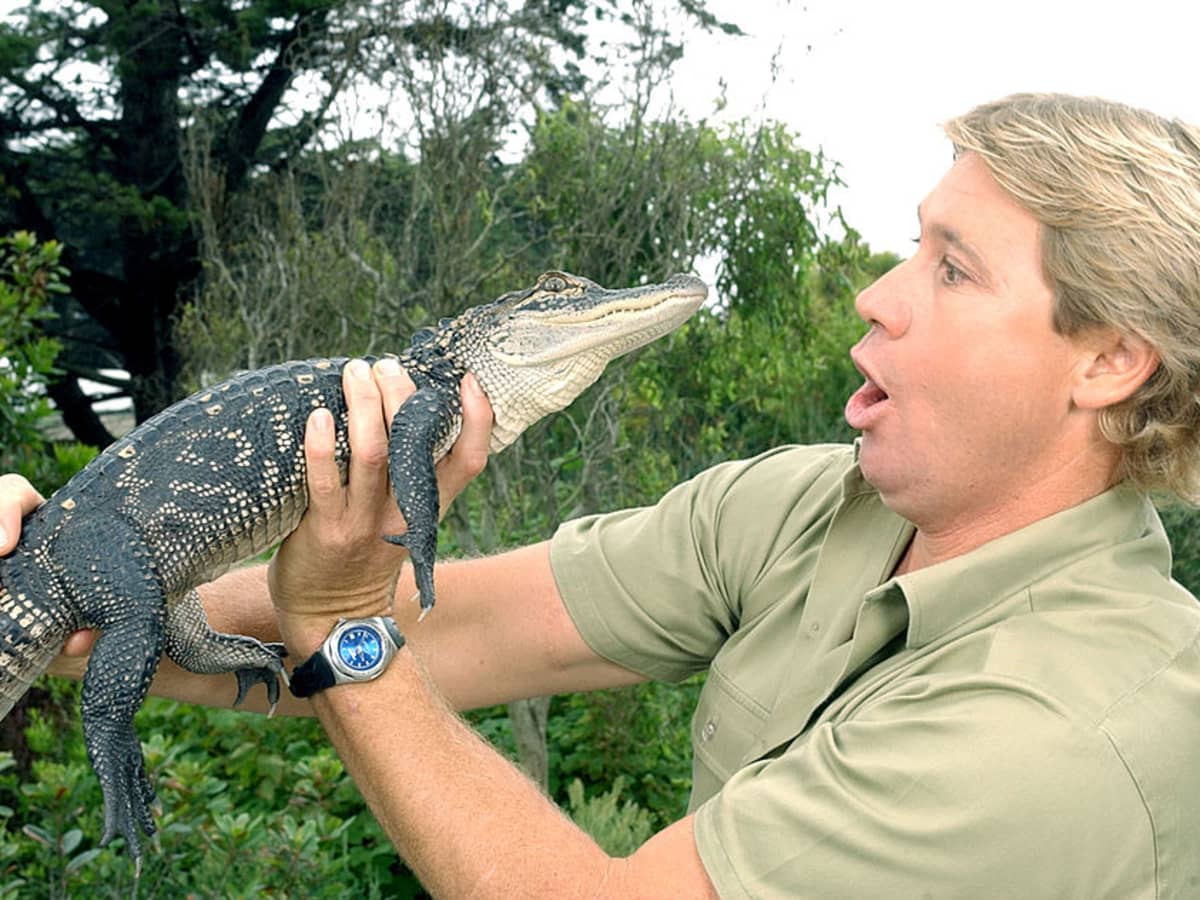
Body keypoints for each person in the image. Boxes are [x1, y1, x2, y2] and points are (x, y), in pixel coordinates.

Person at [4, 91, 1200, 897]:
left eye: (951, 269)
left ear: (1109, 360)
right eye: (911, 246)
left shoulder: (1064, 732)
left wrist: (339, 622)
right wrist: (49, 597)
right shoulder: (812, 508)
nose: (876, 296)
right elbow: (458, 630)